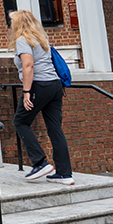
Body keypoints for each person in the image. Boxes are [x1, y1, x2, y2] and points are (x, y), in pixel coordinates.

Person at [10, 9, 74, 185]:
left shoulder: (23, 40)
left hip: (39, 85)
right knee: (55, 128)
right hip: (55, 85)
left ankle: (39, 162)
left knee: (20, 121)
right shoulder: (42, 39)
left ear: (18, 24)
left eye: (12, 21)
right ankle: (64, 174)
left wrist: (26, 92)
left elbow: (28, 65)